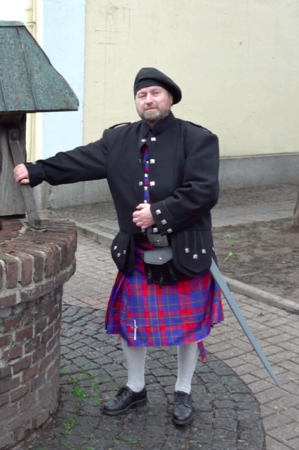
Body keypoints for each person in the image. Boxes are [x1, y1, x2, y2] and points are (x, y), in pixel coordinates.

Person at [13, 68, 223, 426]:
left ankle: (183, 391)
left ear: (170, 98)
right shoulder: (119, 139)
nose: (149, 100)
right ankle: (135, 387)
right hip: (138, 250)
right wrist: (38, 171)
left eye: (156, 93)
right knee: (133, 323)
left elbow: (204, 191)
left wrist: (159, 212)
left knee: (189, 327)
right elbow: (78, 160)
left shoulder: (197, 139)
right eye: (142, 95)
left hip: (186, 248)